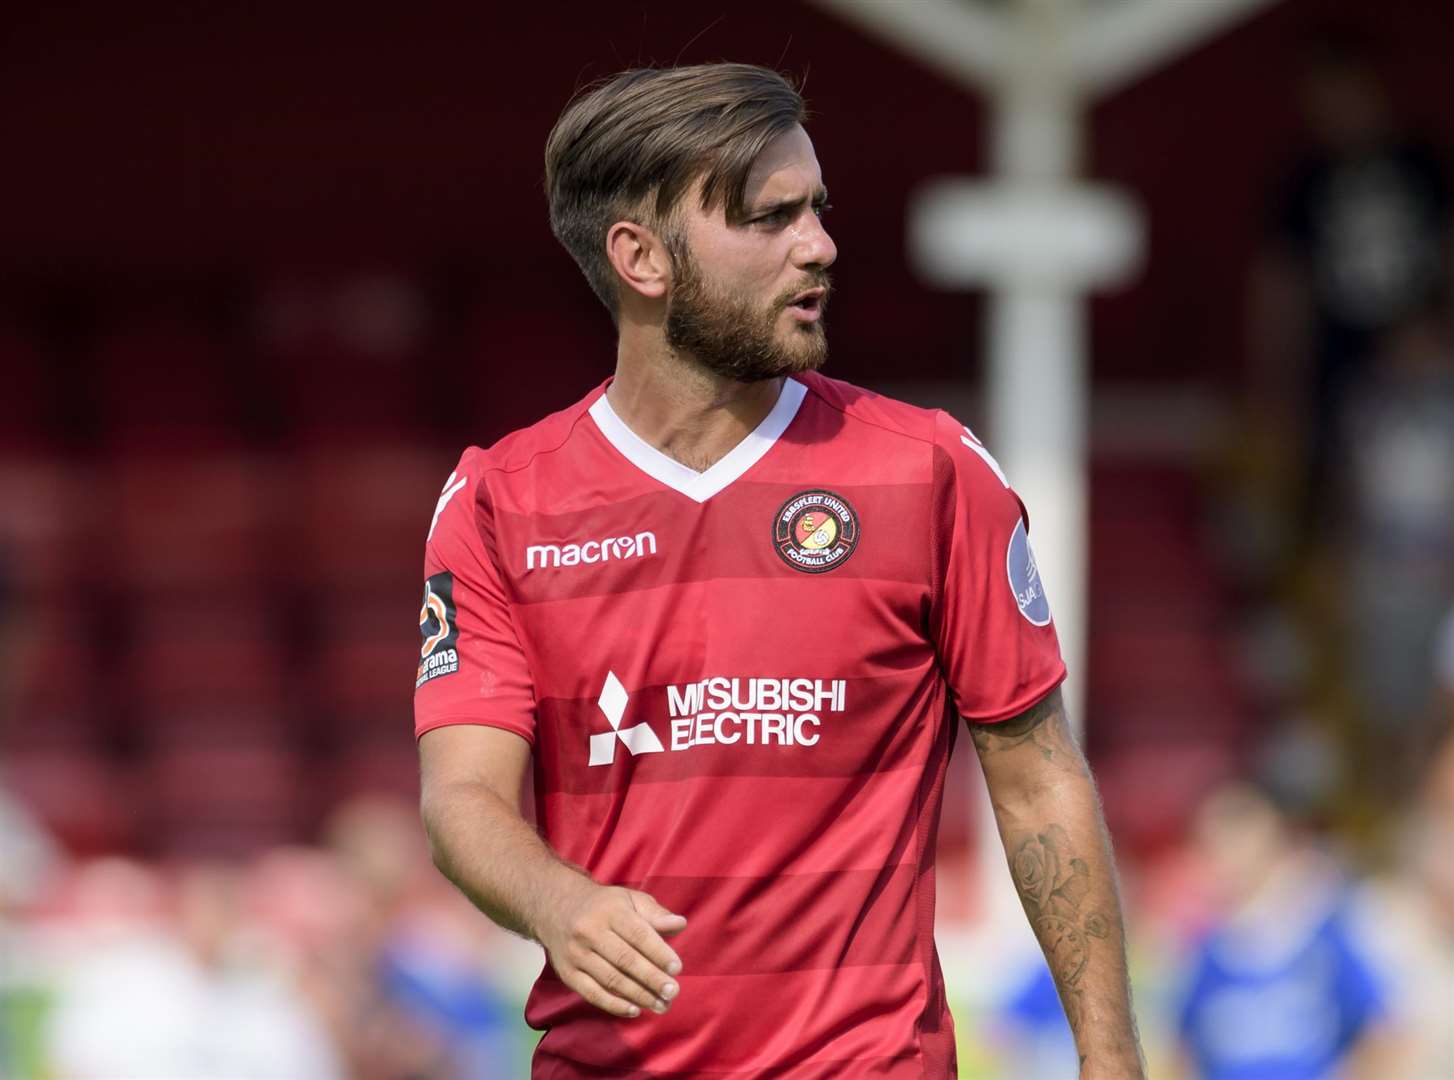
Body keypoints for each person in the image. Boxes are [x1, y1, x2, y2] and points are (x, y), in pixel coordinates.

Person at [415, 63, 1144, 1078]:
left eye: (816, 210)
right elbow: (460, 801)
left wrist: (1111, 1065)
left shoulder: (930, 472)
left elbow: (1037, 786)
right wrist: (557, 901)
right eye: (770, 219)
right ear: (640, 258)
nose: (819, 246)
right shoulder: (499, 501)